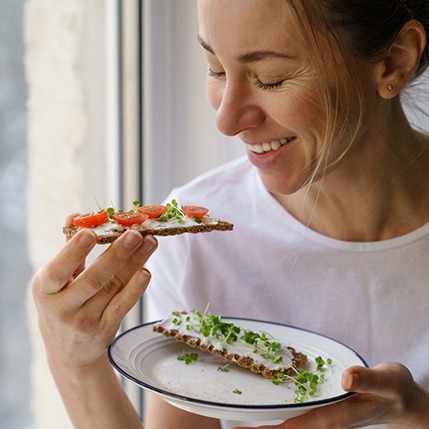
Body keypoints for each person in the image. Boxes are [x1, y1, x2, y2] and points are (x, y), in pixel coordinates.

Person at [31, 0, 429, 428]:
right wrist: (75, 363)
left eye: (271, 79)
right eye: (215, 69)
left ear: (393, 61)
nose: (226, 120)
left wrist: (416, 413)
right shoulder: (202, 248)